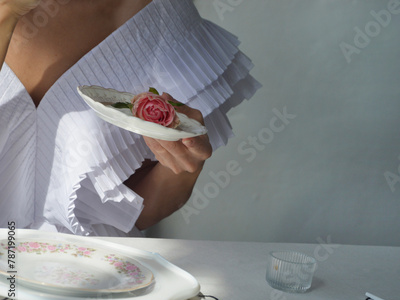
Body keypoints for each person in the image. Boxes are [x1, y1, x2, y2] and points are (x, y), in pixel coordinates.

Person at [0, 0, 260, 236]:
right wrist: (6, 14)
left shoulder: (159, 16)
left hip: (89, 271)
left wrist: (185, 164)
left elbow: (143, 213)